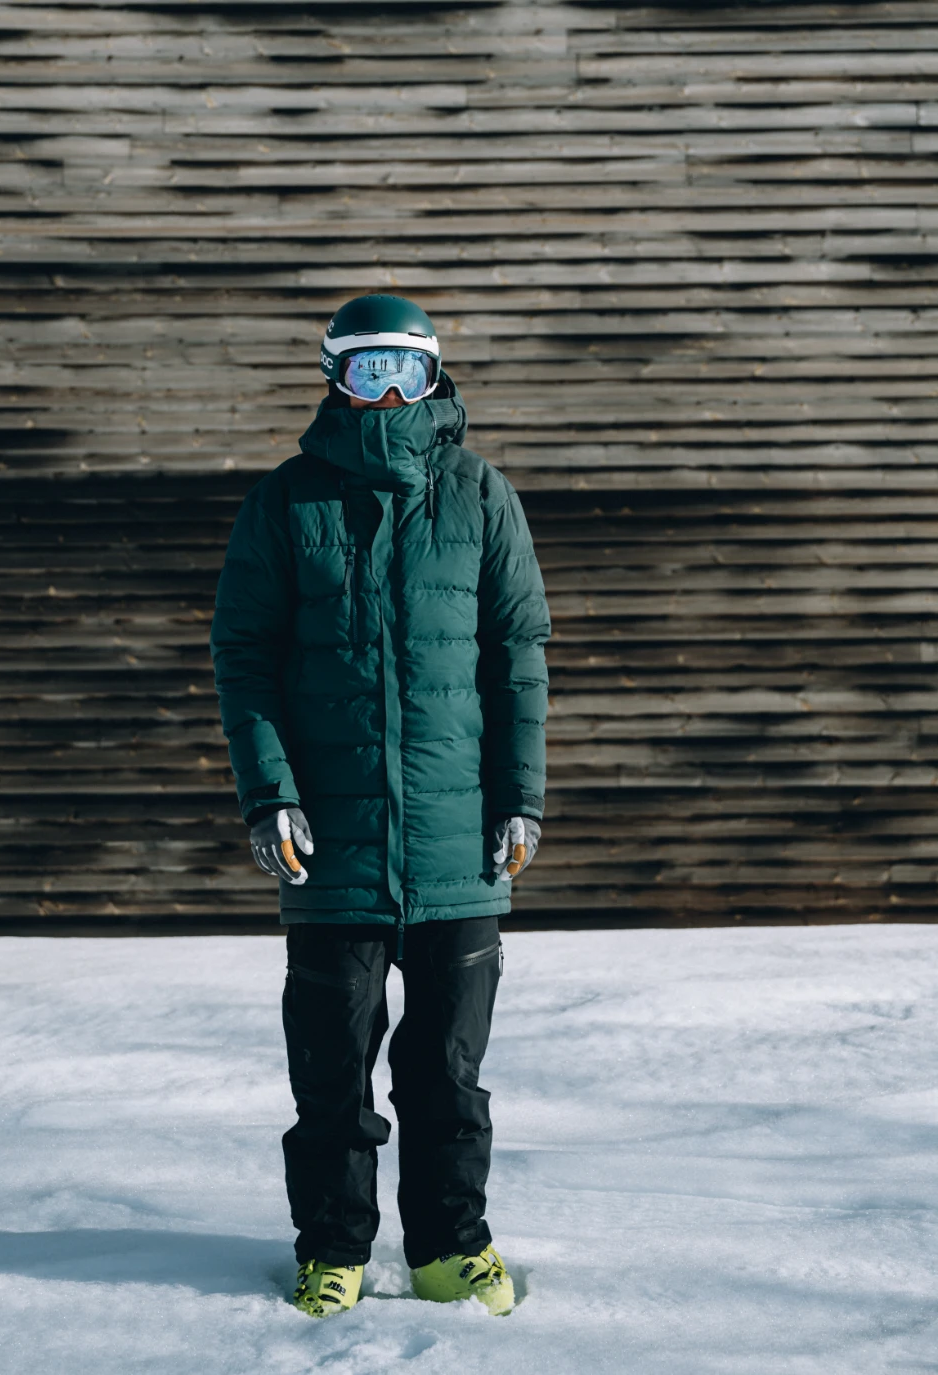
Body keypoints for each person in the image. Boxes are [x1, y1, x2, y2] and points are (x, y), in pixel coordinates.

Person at [210, 294, 550, 1318]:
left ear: (435, 375)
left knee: (448, 1077)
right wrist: (269, 793)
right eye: (370, 371)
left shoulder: (480, 495)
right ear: (334, 379)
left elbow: (518, 657)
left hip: (458, 852)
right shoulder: (286, 503)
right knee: (331, 1079)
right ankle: (333, 1251)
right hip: (333, 853)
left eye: (407, 370)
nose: (391, 394)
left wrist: (520, 798)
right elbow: (244, 658)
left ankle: (450, 1250)